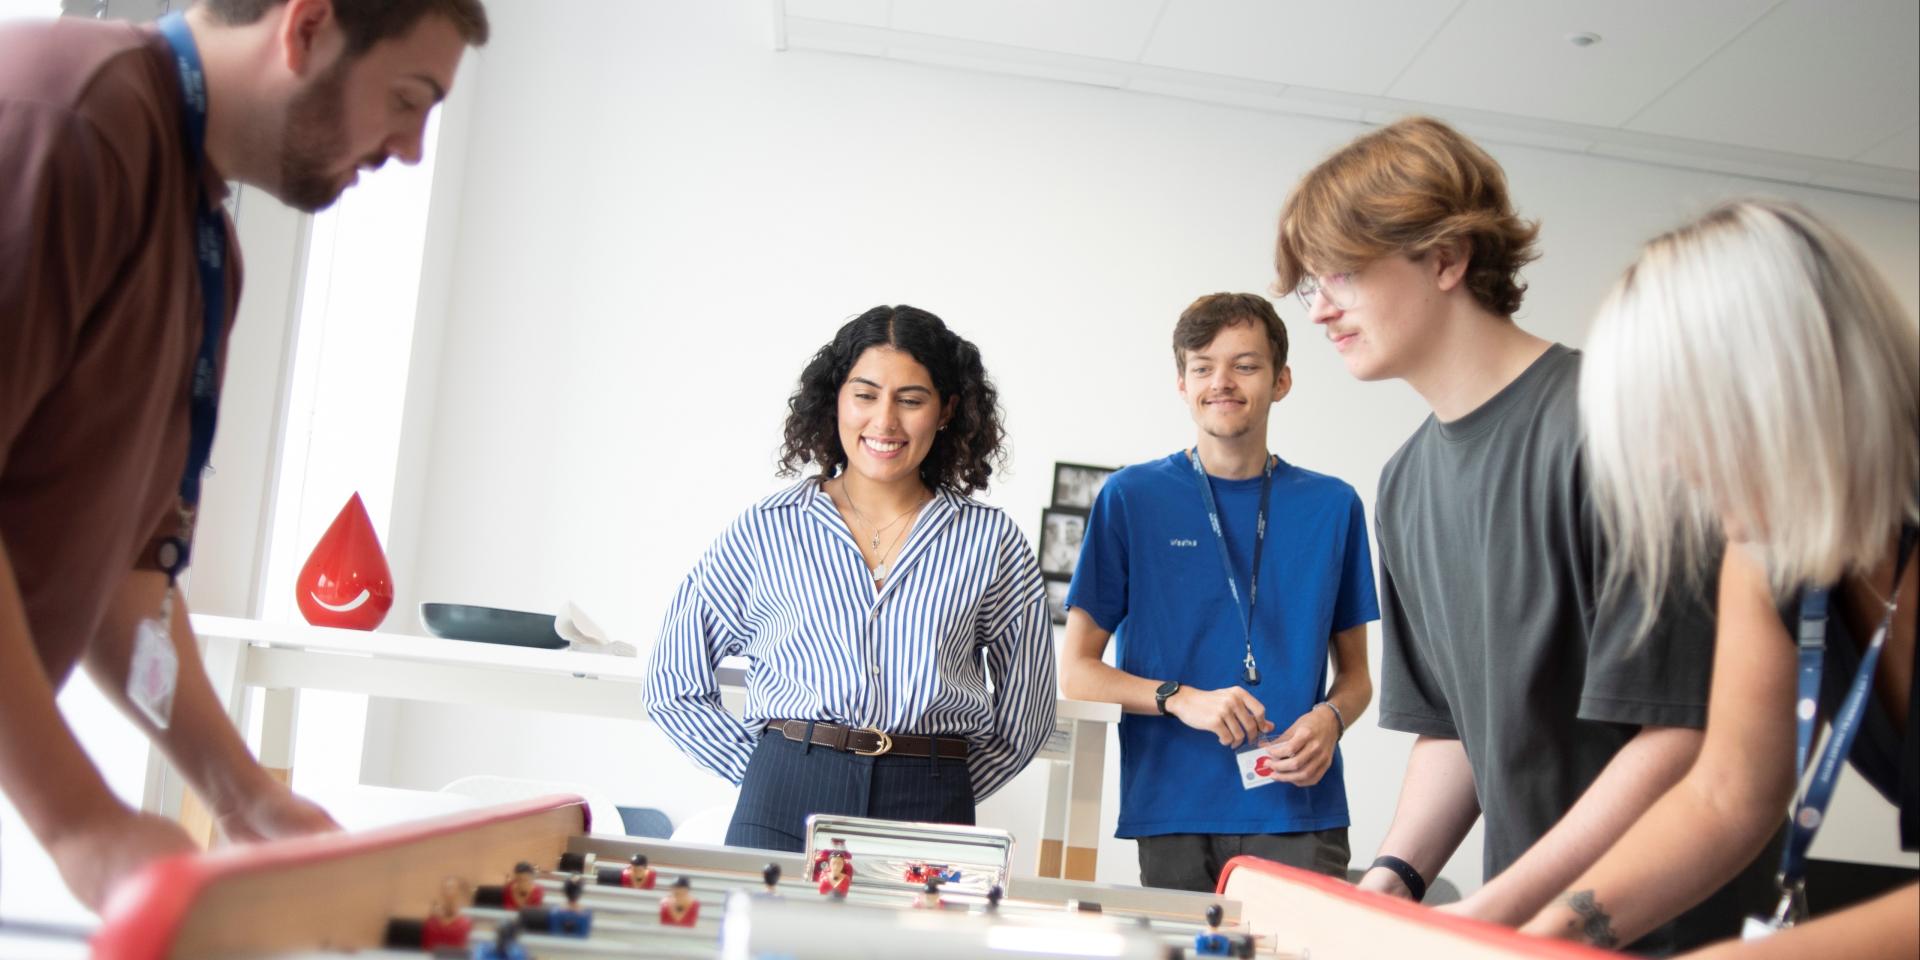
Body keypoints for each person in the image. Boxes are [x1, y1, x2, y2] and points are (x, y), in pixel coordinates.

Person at [0, 0, 488, 911]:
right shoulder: (68, 119)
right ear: (306, 29)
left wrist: (243, 794)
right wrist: (82, 821)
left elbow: (133, 580)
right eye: (409, 98)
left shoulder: (205, 246)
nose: (413, 148)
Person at [1273, 116, 1768, 951]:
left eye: (1344, 273)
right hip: (1526, 932)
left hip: (1669, 926)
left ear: (1445, 258)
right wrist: (1393, 881)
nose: (1319, 310)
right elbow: (1454, 730)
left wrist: (1500, 907)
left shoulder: (1616, 426)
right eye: (1309, 284)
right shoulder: (1405, 483)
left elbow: (1679, 731)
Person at [1517, 200, 1917, 959]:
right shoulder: (1768, 553)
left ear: (1786, 385)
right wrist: (1545, 939)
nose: (1669, 464)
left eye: (1680, 418)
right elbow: (1723, 795)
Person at [644, 305, 1057, 853]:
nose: (884, 422)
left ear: (946, 410)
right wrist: (772, 771)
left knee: (917, 945)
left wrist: (940, 783)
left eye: (910, 400)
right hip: (783, 797)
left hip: (931, 805)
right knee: (773, 943)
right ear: (835, 398)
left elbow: (1024, 716)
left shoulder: (991, 541)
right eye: (865, 395)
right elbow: (673, 682)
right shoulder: (768, 528)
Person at [1059, 293, 1376, 892]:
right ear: (1182, 382)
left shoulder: (1335, 507)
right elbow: (1077, 672)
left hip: (1298, 810)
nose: (1221, 381)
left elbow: (1357, 679)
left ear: (1281, 381)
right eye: (1202, 366)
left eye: (1245, 365)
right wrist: (1180, 697)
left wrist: (1332, 719)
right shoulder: (1131, 499)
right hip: (1173, 811)